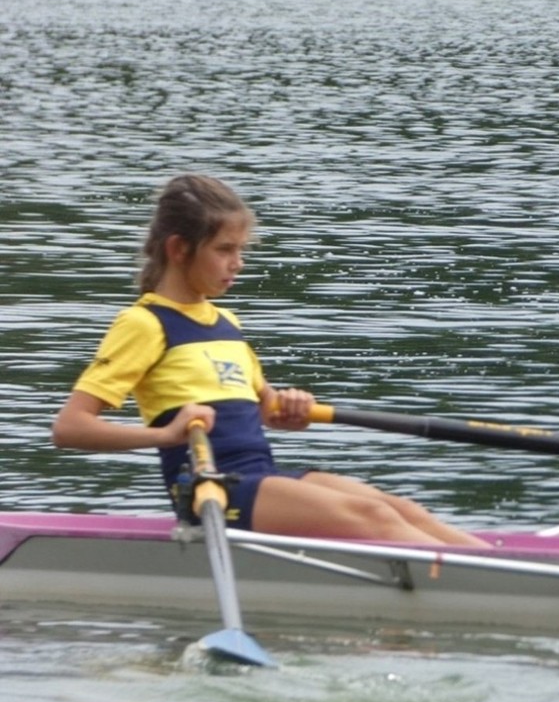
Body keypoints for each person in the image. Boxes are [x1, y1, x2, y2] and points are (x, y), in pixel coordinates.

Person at [52, 173, 487, 547]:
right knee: (373, 518)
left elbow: (266, 410)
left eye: (241, 250)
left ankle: (504, 566)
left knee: (401, 509)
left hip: (260, 474)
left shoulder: (225, 322)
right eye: (225, 249)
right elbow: (70, 428)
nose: (237, 264)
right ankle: (480, 583)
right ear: (179, 249)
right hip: (210, 489)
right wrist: (167, 435)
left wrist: (290, 406)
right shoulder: (144, 324)